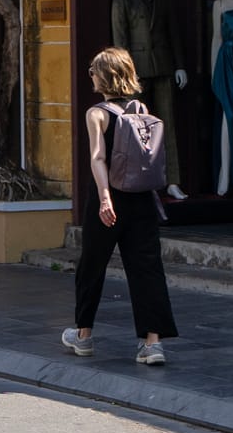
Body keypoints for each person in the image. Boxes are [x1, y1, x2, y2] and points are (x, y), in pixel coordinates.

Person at [65, 47, 181, 366]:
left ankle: (84, 335)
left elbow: (97, 158)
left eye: (93, 70)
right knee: (146, 268)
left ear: (104, 76)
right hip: (142, 197)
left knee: (92, 265)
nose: (90, 74)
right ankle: (152, 343)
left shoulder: (96, 114)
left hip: (109, 199)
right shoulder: (140, 109)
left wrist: (105, 197)